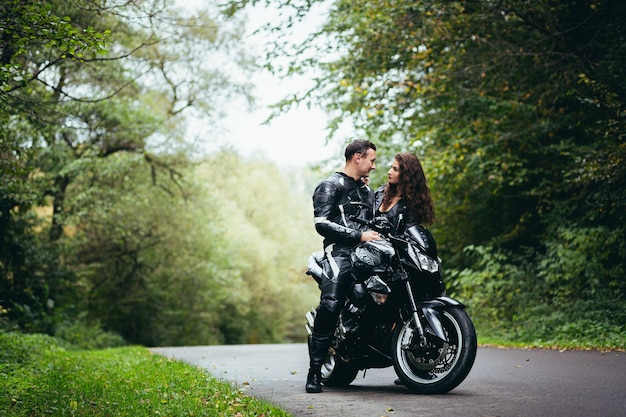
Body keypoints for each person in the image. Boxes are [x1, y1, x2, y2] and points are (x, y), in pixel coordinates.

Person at [306, 139, 379, 393]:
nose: (373, 166)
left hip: (369, 254)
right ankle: (314, 373)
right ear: (357, 157)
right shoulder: (329, 185)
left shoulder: (368, 192)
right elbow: (322, 223)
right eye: (371, 160)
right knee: (331, 304)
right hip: (340, 253)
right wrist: (358, 236)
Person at [374, 152, 435, 235]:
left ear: (406, 175)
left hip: (390, 247)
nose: (389, 172)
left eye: (395, 169)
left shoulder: (412, 206)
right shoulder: (380, 193)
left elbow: (407, 239)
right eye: (391, 167)